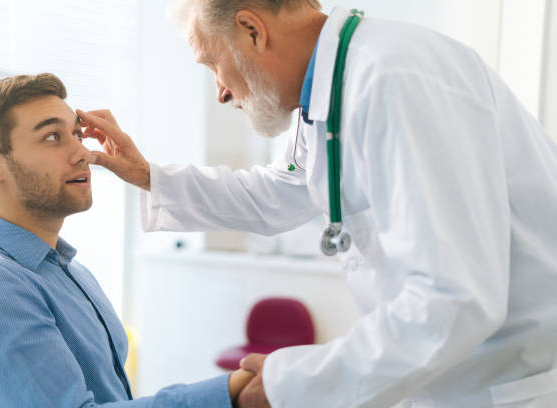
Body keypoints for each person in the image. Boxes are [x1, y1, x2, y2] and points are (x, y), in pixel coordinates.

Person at [77, 1, 557, 407]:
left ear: (251, 30)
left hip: (502, 386)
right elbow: (273, 196)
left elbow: (455, 298)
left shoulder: (394, 77)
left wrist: (294, 383)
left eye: (211, 65)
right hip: (454, 379)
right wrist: (145, 173)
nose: (220, 92)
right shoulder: (328, 99)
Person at [0, 73, 254, 408]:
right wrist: (231, 392)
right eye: (52, 137)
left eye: (77, 134)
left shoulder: (73, 273)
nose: (83, 153)